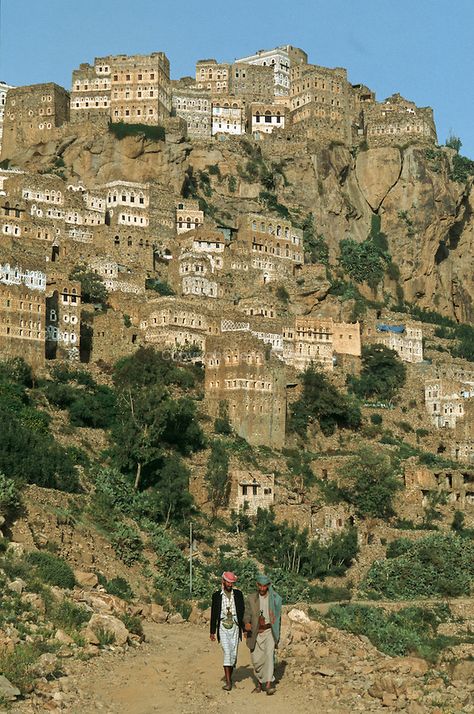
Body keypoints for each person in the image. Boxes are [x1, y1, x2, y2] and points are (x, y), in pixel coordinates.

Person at [244, 574, 282, 695]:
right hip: (256, 632)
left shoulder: (274, 598)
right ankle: (259, 683)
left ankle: (268, 684)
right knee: (257, 660)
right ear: (257, 585)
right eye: (260, 585)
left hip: (269, 631)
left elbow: (277, 616)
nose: (262, 588)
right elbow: (247, 614)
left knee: (269, 657)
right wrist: (246, 623)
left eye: (264, 586)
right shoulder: (251, 598)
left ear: (268, 586)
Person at [210, 571, 245, 691]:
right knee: (227, 651)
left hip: (235, 626)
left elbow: (242, 612)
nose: (230, 585)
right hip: (222, 626)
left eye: (232, 583)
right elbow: (213, 614)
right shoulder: (216, 596)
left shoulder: (238, 595)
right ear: (223, 582)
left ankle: (229, 675)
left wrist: (244, 629)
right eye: (228, 582)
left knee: (233, 654)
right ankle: (229, 682)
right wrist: (212, 632)